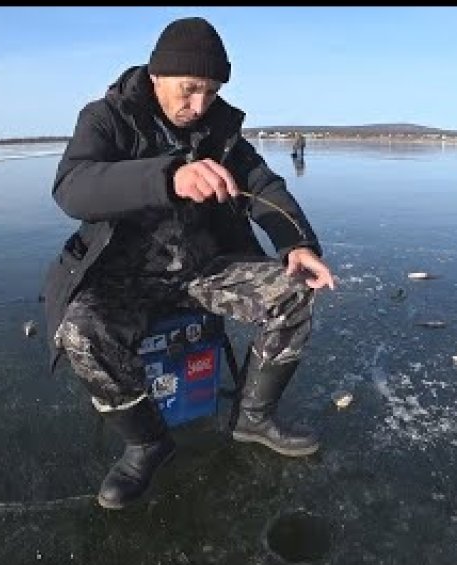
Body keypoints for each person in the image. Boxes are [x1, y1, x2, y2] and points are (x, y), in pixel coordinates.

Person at [41, 16, 335, 510]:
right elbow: (73, 187)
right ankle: (147, 443)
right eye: (190, 88)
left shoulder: (219, 129)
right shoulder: (105, 118)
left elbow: (263, 187)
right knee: (81, 332)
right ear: (157, 76)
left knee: (294, 290)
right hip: (123, 273)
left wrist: (296, 244)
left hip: (203, 268)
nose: (199, 104)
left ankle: (254, 418)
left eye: (212, 91)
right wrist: (168, 177)